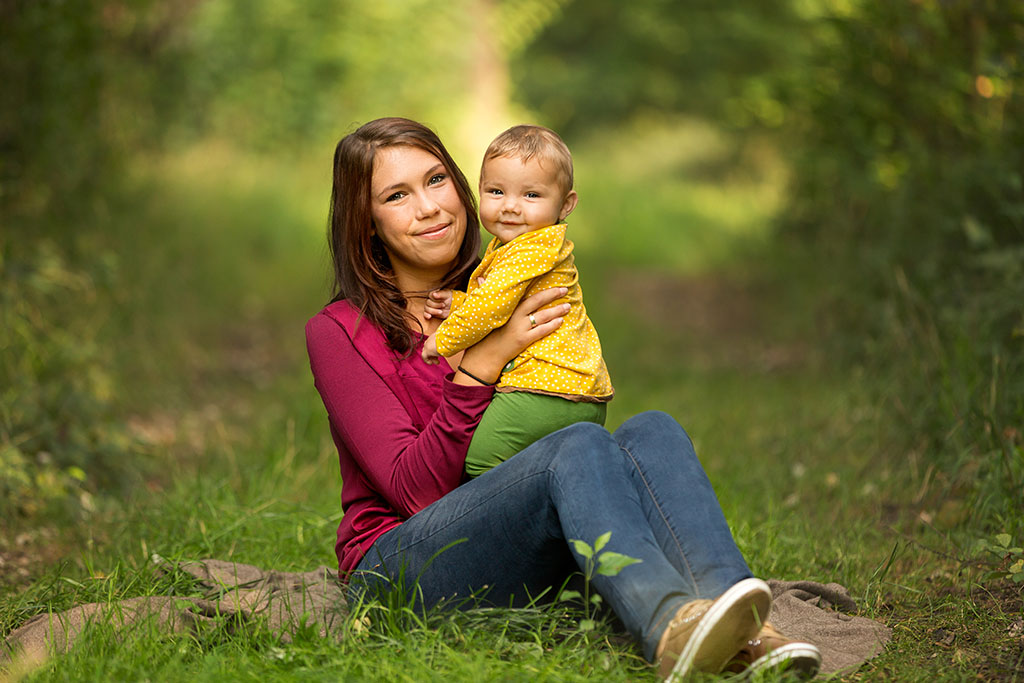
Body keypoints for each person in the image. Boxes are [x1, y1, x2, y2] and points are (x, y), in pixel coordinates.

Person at [304, 117, 821, 680]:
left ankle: (744, 627)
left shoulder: (502, 283)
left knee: (652, 428)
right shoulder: (341, 332)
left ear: (459, 185)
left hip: (514, 543)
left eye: (435, 181)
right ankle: (670, 626)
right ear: (368, 222)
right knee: (575, 444)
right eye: (396, 195)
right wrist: (484, 360)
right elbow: (414, 493)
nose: (428, 208)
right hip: (402, 565)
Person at [420, 125, 613, 477]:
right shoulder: (522, 246)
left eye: (531, 196)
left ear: (566, 204)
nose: (510, 207)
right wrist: (460, 303)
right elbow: (504, 301)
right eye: (496, 191)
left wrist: (443, 340)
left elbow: (492, 307)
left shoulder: (530, 248)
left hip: (543, 391)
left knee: (478, 463)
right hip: (573, 391)